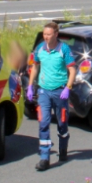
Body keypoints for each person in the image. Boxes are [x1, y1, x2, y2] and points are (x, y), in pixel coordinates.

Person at [28, 21, 75, 171]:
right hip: (44, 91)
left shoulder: (63, 49)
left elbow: (72, 70)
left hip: (60, 92)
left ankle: (63, 149)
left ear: (56, 34)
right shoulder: (40, 48)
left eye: (48, 34)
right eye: (44, 34)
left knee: (62, 123)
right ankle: (44, 158)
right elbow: (35, 67)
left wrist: (67, 88)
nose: (46, 37)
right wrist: (30, 86)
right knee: (43, 122)